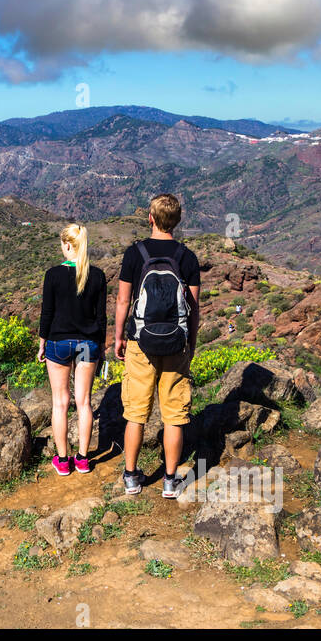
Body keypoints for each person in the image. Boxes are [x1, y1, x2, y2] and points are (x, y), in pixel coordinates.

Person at [113, 194, 201, 496]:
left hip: (140, 342)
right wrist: (191, 343)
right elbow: (193, 307)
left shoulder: (134, 254)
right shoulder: (187, 257)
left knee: (136, 412)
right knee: (174, 414)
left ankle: (131, 476)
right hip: (176, 344)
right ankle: (170, 479)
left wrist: (119, 337)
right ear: (176, 221)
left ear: (150, 218)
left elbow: (123, 300)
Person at [37, 224, 107, 476]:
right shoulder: (97, 276)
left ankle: (63, 460)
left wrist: (42, 343)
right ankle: (83, 459)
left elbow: (47, 314)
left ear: (67, 245)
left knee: (60, 403)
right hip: (88, 345)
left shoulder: (53, 275)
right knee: (84, 402)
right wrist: (102, 347)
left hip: (58, 343)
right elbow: (101, 318)